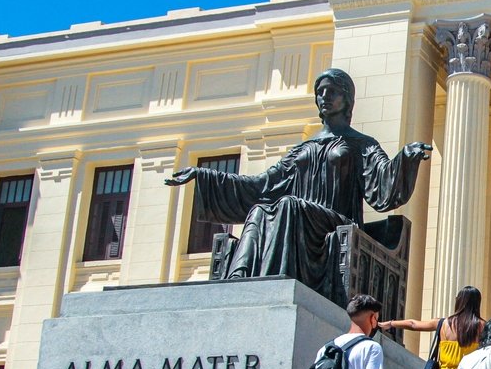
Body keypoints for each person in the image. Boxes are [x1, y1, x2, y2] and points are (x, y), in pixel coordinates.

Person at [165, 68, 431, 304]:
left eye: (332, 91)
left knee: (287, 205)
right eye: (320, 92)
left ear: (346, 98)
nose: (324, 97)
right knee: (260, 210)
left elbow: (383, 186)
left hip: (336, 223)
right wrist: (204, 175)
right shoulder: (304, 147)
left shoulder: (361, 144)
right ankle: (241, 277)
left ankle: (271, 282)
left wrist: (407, 157)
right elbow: (262, 184)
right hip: (297, 218)